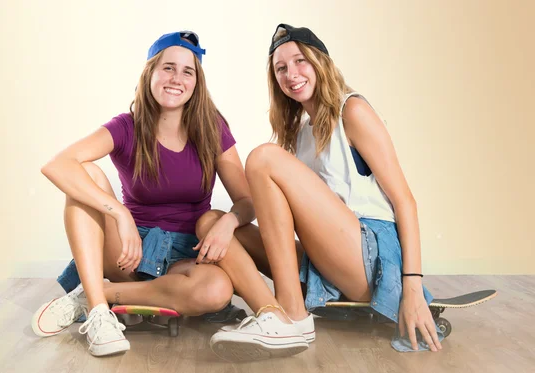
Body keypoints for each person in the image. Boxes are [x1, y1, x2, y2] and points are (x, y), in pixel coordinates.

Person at [30, 30, 309, 359]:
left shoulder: (212, 128)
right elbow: (57, 165)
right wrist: (119, 214)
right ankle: (99, 313)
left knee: (216, 290)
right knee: (85, 172)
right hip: (129, 248)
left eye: (187, 71)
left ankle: (98, 296)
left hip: (186, 253)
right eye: (168, 68)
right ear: (150, 73)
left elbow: (248, 201)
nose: (176, 78)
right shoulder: (126, 127)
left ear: (196, 82)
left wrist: (229, 222)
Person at [211, 23, 444, 354]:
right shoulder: (299, 136)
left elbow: (405, 202)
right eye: (281, 68)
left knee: (263, 157)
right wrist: (230, 220)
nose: (291, 73)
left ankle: (292, 317)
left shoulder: (353, 111)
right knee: (211, 223)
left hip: (371, 259)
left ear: (320, 62)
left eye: (300, 61)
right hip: (328, 265)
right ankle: (273, 313)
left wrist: (413, 287)